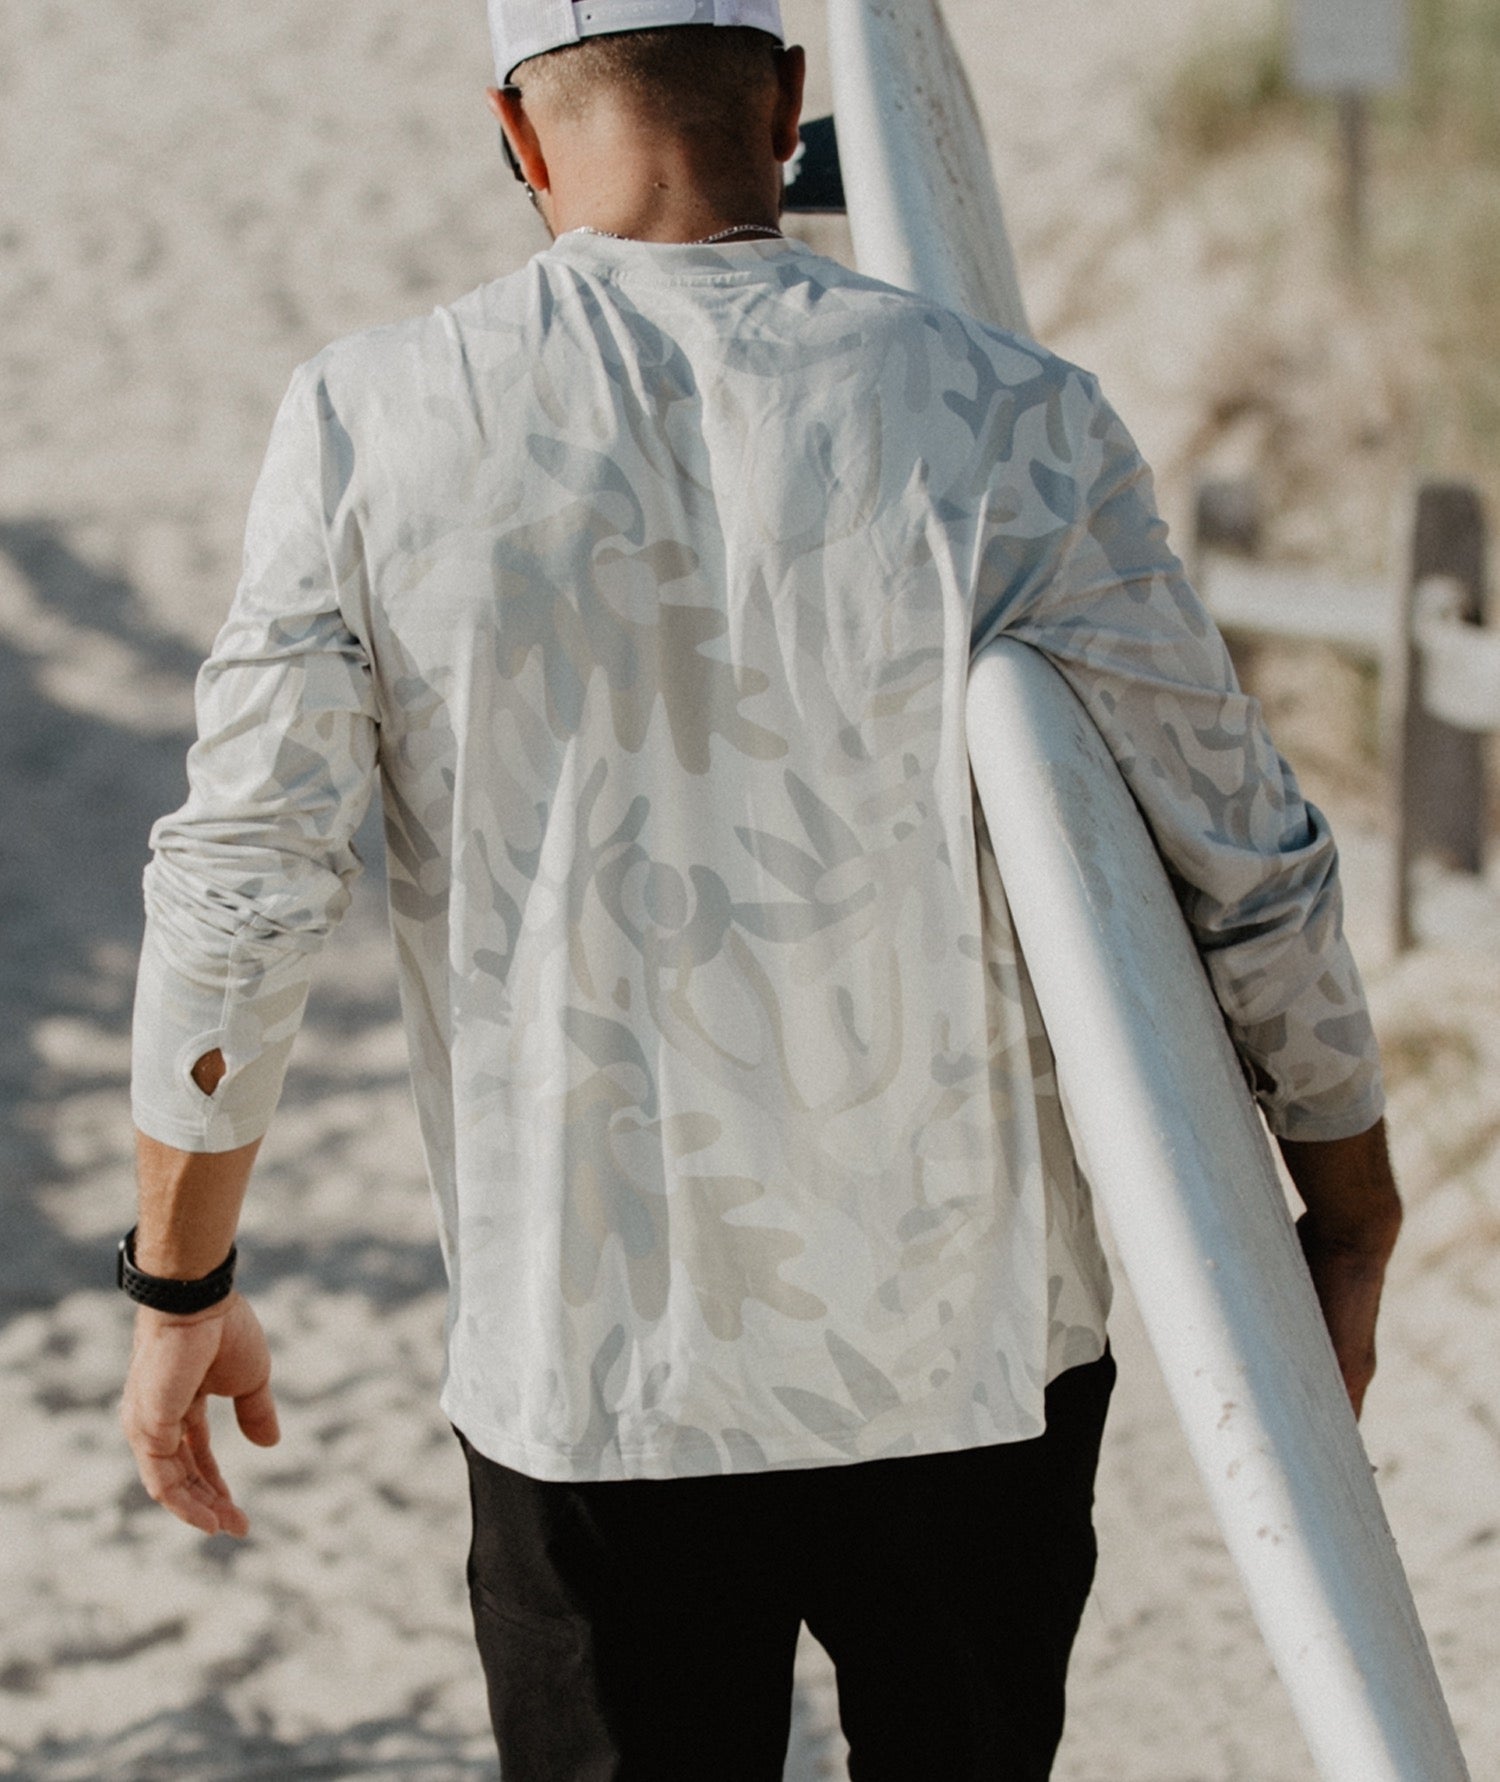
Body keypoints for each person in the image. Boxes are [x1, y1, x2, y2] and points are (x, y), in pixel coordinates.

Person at [118, 2, 1402, 1776]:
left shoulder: (372, 420)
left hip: (591, 1377)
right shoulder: (1010, 414)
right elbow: (1243, 854)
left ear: (516, 130)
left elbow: (242, 885)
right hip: (973, 1361)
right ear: (791, 103)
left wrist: (180, 1285)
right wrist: (1349, 1205)